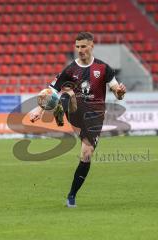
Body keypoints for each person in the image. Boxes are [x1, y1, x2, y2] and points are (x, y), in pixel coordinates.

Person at [30, 32, 126, 208]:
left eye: (83, 46)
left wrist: (120, 92)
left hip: (95, 115)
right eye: (78, 47)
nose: (80, 50)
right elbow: (51, 90)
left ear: (91, 46)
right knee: (68, 92)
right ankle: (60, 111)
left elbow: (117, 92)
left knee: (86, 154)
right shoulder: (70, 70)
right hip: (74, 109)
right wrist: (39, 109)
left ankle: (71, 195)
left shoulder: (104, 68)